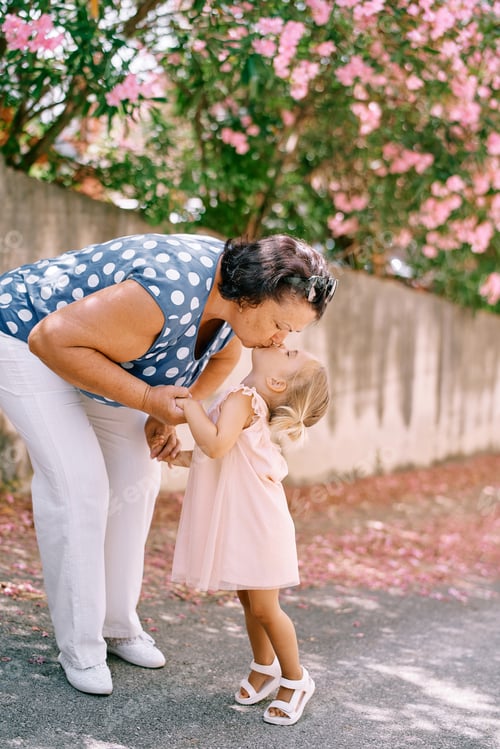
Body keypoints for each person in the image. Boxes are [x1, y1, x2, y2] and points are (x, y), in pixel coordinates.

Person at [0, 232, 337, 695]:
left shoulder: (233, 309)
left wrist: (173, 410)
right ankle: (81, 646)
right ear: (253, 297)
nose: (282, 339)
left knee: (138, 472)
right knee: (80, 487)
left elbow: (221, 358)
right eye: (281, 324)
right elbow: (51, 339)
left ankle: (117, 624)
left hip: (90, 352)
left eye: (291, 335)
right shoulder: (166, 290)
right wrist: (145, 399)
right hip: (28, 337)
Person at [170, 344, 330, 726]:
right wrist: (180, 457)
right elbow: (220, 453)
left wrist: (188, 404)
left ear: (277, 381)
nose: (284, 345)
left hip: (259, 525)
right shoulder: (244, 397)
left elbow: (216, 443)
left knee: (264, 608)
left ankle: (296, 678)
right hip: (246, 521)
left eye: (292, 355)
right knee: (249, 600)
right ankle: (264, 665)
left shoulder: (244, 398)